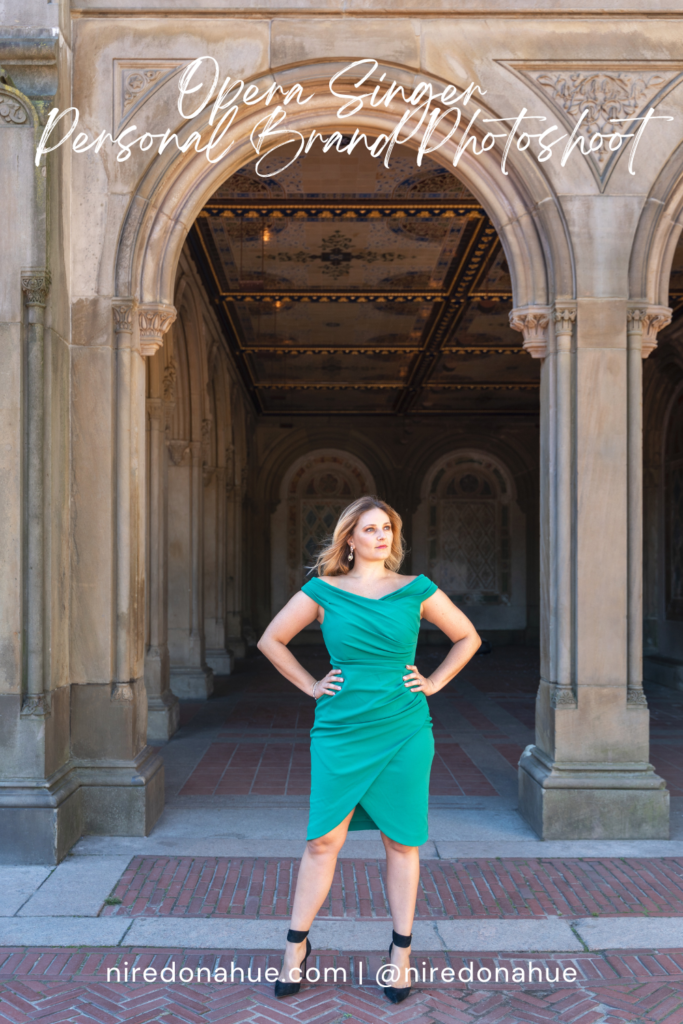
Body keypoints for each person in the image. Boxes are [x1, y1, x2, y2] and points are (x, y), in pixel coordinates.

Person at [257, 495, 481, 1002]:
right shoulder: (322, 591)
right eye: (370, 529)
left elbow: (467, 636)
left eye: (387, 529)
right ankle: (296, 946)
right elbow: (272, 640)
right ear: (350, 540)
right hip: (340, 730)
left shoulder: (417, 590)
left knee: (402, 842)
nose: (382, 536)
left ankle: (400, 954)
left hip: (404, 728)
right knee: (322, 841)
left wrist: (436, 682)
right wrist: (312, 685)